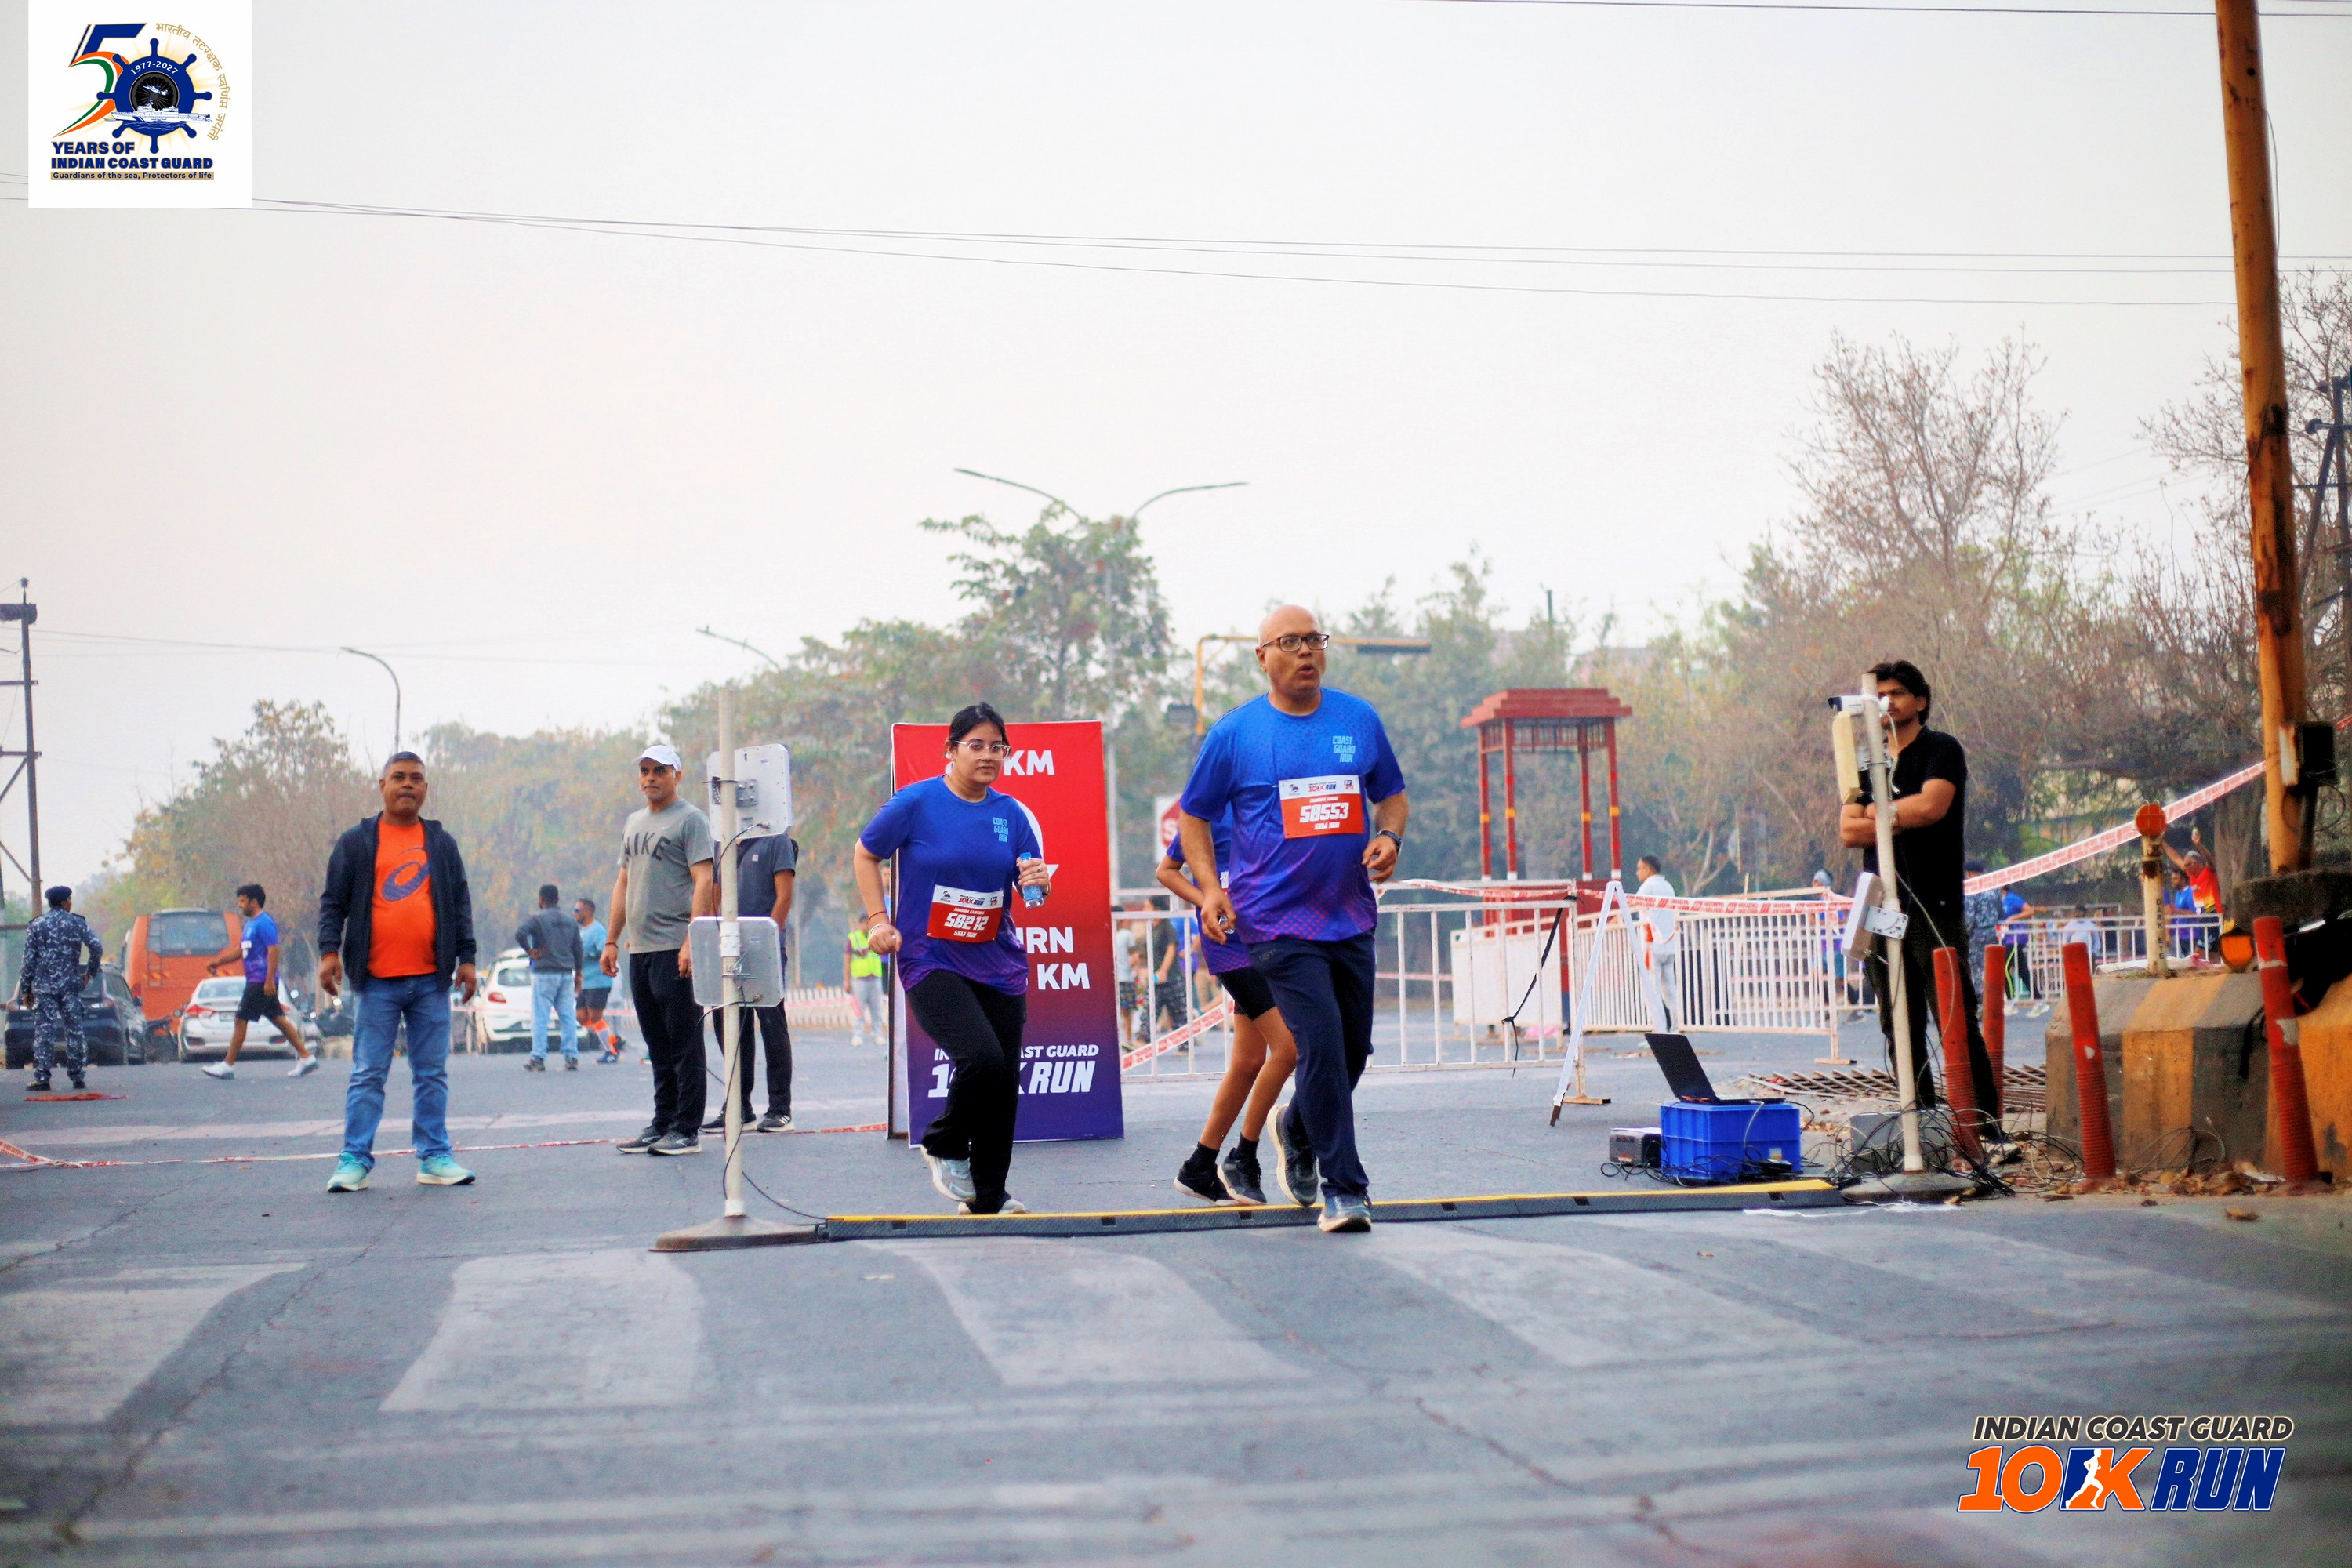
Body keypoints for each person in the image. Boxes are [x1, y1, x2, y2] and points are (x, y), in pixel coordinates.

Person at [1178, 604, 1409, 1236]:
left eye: (1314, 639)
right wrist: (1209, 889)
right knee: (1321, 1047)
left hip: (1350, 914)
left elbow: (1391, 794)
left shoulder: (1358, 719)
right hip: (1275, 923)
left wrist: (1389, 836)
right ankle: (1345, 1190)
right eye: (1290, 641)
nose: (1306, 650)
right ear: (1263, 657)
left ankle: (1297, 1126)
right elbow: (1193, 817)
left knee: (1352, 1051)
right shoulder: (1236, 734)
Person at [854, 702, 1051, 1216]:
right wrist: (878, 920)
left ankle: (989, 1195)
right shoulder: (915, 803)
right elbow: (866, 853)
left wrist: (1038, 883)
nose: (988, 756)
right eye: (976, 745)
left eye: (997, 748)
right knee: (981, 1060)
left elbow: (1031, 889)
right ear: (951, 750)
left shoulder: (1011, 814)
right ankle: (943, 1141)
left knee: (1003, 1082)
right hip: (931, 958)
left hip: (998, 965)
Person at [1835, 660, 2003, 1142]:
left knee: (1953, 1018)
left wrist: (1876, 812)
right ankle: (1922, 1126)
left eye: (1897, 694)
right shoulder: (1868, 762)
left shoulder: (1941, 749)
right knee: (1898, 1023)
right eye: (1880, 696)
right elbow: (1848, 830)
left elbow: (1932, 806)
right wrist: (1891, 815)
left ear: (1920, 701)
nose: (1887, 703)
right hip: (1881, 909)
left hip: (1934, 904)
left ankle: (1984, 1129)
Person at [315, 753, 479, 1191]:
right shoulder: (357, 843)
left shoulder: (441, 844)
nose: (408, 785)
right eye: (399, 777)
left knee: (432, 1074)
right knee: (368, 1074)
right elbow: (333, 903)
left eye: (416, 779)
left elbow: (459, 903)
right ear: (382, 785)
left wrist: (467, 958)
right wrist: (329, 952)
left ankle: (435, 1157)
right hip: (376, 983)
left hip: (431, 981)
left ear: (426, 788)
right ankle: (353, 1160)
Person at [1158, 815, 1299, 1206]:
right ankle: (1243, 1157)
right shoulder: (1206, 813)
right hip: (1232, 948)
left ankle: (1199, 1166)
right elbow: (1166, 870)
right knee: (1288, 1049)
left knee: (1249, 1061)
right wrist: (1207, 899)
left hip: (1272, 942)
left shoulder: (1273, 807)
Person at [601, 743, 716, 1157]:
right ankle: (663, 1121)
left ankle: (687, 1129)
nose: (650, 778)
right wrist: (611, 940)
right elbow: (623, 883)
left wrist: (693, 939)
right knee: (657, 1044)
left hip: (675, 947)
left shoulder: (691, 820)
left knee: (684, 1042)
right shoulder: (634, 822)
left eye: (660, 771)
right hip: (641, 949)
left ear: (677, 776)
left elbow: (704, 880)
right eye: (645, 771)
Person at [701, 826, 800, 1135]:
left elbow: (784, 897)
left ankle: (780, 1109)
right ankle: (739, 1106)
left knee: (772, 1024)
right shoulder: (722, 842)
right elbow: (716, 892)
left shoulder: (776, 840)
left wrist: (769, 938)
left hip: (764, 945)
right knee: (728, 1024)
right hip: (729, 947)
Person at [198, 884, 319, 1079]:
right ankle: (306, 1057)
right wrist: (218, 962)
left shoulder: (264, 923)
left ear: (254, 902)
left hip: (260, 981)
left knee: (241, 1019)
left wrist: (269, 980)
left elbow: (274, 951)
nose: (239, 905)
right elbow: (241, 950)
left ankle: (227, 1065)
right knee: (278, 1019)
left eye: (242, 901)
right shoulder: (250, 925)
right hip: (257, 980)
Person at [16, 885, 102, 1092]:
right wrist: (89, 973)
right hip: (70, 986)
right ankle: (77, 1076)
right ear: (64, 902)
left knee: (44, 1032)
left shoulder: (37, 925)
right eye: (70, 899)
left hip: (45, 988)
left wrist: (26, 989)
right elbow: (96, 947)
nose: (71, 903)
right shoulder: (77, 923)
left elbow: (29, 960)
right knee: (74, 1030)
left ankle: (42, 1078)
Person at [516, 884, 584, 1072]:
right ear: (558, 899)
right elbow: (578, 948)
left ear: (541, 899)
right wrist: (579, 973)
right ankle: (572, 1056)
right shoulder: (570, 920)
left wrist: (530, 951)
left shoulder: (538, 918)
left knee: (541, 1016)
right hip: (566, 974)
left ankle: (538, 1057)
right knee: (568, 1016)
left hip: (544, 973)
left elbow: (520, 934)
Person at [1633, 855, 1680, 1028]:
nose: (1637, 873)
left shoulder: (1648, 886)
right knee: (1670, 991)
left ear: (1648, 869)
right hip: (1669, 946)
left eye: (1639, 869)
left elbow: (1630, 905)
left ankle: (1660, 1029)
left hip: (1652, 946)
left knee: (1652, 991)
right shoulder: (1668, 886)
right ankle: (1677, 1027)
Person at [573, 897, 619, 1062]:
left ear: (587, 912)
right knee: (581, 1017)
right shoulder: (582, 932)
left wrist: (587, 954)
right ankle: (611, 1040)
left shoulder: (597, 930)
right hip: (586, 982)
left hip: (599, 981)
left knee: (595, 1017)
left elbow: (604, 951)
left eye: (577, 911)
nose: (574, 914)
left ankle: (611, 1051)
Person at [844, 920, 887, 1050]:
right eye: (865, 924)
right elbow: (847, 959)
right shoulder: (854, 938)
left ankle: (878, 1034)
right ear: (860, 924)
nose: (867, 926)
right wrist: (847, 981)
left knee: (877, 1008)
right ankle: (857, 1035)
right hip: (860, 979)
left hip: (875, 977)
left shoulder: (876, 936)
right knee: (859, 1010)